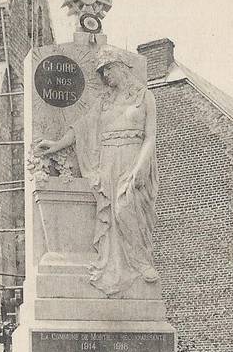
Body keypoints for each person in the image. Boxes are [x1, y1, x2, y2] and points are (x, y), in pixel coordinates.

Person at [37, 48, 159, 297]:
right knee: (113, 215)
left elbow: (151, 137)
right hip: (108, 161)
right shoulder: (104, 101)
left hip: (133, 157)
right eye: (102, 73)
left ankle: (140, 261)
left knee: (126, 209)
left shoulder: (145, 96)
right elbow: (82, 128)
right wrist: (57, 144)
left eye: (108, 70)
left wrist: (140, 167)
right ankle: (121, 263)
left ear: (122, 67)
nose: (105, 77)